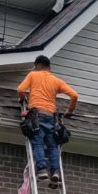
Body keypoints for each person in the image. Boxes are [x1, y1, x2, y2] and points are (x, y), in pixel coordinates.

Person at [16, 55, 78, 186]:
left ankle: (42, 170)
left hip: (37, 115)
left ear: (37, 65)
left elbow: (20, 89)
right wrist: (70, 111)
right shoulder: (56, 80)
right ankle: (55, 172)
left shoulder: (33, 75)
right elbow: (74, 95)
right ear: (50, 67)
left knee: (38, 142)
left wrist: (23, 99)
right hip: (51, 117)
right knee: (52, 146)